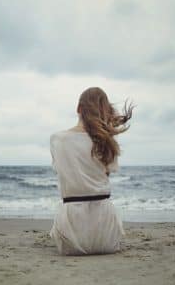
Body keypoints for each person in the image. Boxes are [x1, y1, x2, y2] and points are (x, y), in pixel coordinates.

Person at [49, 87, 135, 255]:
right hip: (106, 234)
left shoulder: (57, 139)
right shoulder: (107, 141)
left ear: (78, 109)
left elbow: (60, 170)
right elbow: (107, 172)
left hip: (72, 231)